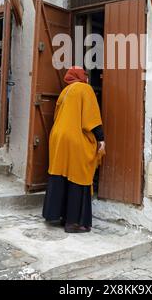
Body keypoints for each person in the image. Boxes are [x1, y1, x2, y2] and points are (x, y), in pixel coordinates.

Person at [42, 66, 106, 233]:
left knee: (60, 175)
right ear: (81, 76)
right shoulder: (85, 89)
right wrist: (101, 138)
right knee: (78, 176)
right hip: (74, 137)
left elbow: (57, 116)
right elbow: (91, 119)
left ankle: (58, 215)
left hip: (57, 137)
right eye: (85, 74)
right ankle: (74, 223)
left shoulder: (65, 91)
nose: (86, 77)